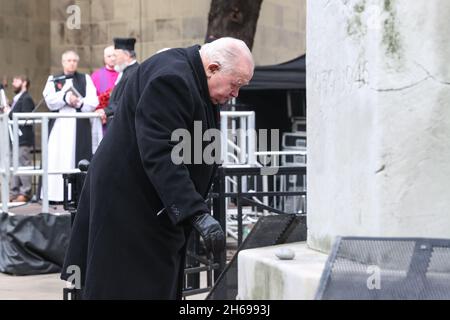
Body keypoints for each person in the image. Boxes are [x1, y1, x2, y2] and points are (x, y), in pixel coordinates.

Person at [61, 37, 255, 299]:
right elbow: (160, 151)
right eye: (236, 84)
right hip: (131, 203)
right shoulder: (172, 79)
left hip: (149, 202)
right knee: (132, 285)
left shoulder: (192, 74)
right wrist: (195, 212)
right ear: (213, 68)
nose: (236, 94)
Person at [42, 51, 99, 202]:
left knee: (77, 157)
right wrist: (65, 97)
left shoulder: (85, 79)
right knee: (56, 157)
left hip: (78, 125)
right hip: (59, 125)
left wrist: (79, 102)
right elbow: (49, 100)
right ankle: (54, 195)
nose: (71, 63)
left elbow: (93, 102)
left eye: (74, 60)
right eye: (68, 60)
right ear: (63, 62)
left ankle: (77, 195)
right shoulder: (53, 79)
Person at [97, 38, 139, 126]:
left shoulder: (134, 72)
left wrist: (106, 111)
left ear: (127, 55)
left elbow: (127, 99)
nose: (113, 59)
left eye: (116, 55)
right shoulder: (125, 71)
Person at [7, 75, 35, 202]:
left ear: (24, 83)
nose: (13, 83)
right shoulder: (16, 99)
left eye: (16, 80)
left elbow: (26, 118)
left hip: (22, 138)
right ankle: (14, 192)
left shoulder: (26, 98)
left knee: (23, 164)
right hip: (14, 138)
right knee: (13, 165)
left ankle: (25, 192)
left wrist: (10, 113)